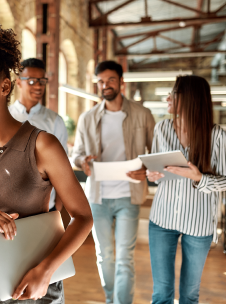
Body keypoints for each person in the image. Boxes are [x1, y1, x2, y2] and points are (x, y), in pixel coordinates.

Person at [0, 23, 93, 304]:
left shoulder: (43, 145)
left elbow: (83, 217)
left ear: (5, 86)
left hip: (35, 281)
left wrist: (46, 270)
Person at [71, 60, 155, 304]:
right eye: (100, 82)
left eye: (110, 80)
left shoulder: (142, 114)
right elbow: (76, 154)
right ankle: (111, 300)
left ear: (121, 83)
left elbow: (156, 153)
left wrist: (146, 169)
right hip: (98, 196)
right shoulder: (88, 118)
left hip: (129, 195)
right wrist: (82, 160)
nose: (105, 85)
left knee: (124, 257)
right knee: (104, 255)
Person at [146, 75, 226, 304]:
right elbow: (158, 173)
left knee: (189, 295)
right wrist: (153, 175)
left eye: (174, 93)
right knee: (161, 293)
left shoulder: (216, 135)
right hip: (162, 220)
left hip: (199, 223)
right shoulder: (162, 128)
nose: (168, 98)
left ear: (190, 98)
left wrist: (200, 178)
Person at [9, 58, 68, 211]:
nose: (38, 86)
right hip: (10, 205)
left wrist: (59, 207)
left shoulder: (55, 121)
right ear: (19, 82)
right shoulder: (4, 116)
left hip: (46, 205)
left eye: (42, 81)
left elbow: (63, 168)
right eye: (31, 81)